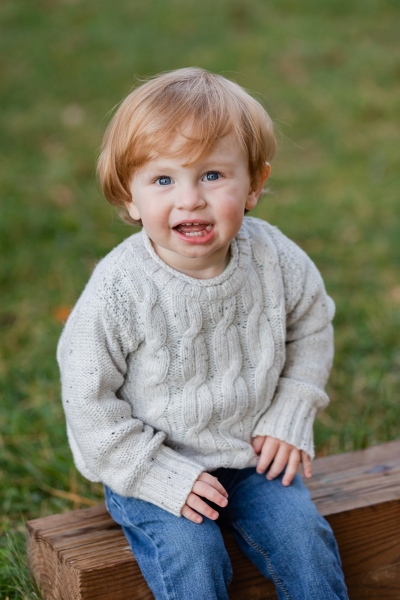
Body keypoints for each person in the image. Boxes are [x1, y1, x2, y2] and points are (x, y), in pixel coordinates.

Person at [57, 67, 348, 600]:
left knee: (304, 539)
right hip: (152, 468)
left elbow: (311, 322)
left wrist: (292, 406)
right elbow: (87, 399)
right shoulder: (120, 289)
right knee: (194, 557)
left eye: (212, 175)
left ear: (255, 184)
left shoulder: (275, 258)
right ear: (129, 198)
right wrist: (154, 473)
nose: (190, 199)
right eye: (164, 180)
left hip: (251, 458)